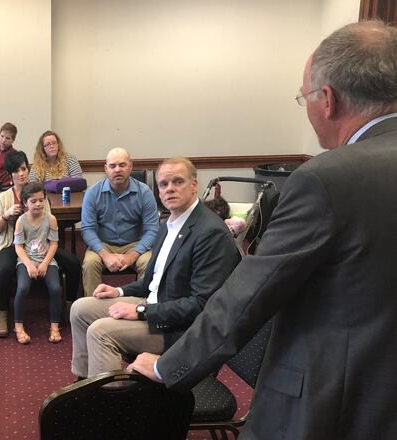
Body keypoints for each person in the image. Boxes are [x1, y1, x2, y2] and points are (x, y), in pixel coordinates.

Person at [131, 21, 397, 439]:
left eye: (304, 96)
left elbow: (245, 297)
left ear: (327, 100)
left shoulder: (325, 179)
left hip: (329, 405)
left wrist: (167, 366)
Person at [70, 157, 238, 379]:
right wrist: (118, 291)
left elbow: (201, 305)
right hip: (156, 305)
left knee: (100, 332)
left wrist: (141, 312)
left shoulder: (210, 233)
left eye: (178, 182)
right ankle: (84, 383)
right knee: (80, 309)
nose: (170, 189)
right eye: (164, 184)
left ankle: (108, 407)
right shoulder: (168, 224)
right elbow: (153, 282)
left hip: (179, 329)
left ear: (194, 185)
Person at [0, 151, 81, 337]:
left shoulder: (38, 194)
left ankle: (69, 306)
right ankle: (2, 313)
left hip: (40, 245)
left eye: (23, 168)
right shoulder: (4, 197)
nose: (21, 173)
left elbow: (48, 221)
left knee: (72, 262)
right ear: (10, 174)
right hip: (11, 245)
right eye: (16, 171)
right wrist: (6, 215)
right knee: (4, 269)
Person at [80, 147, 160, 295]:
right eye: (112, 166)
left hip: (135, 244)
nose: (117, 170)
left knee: (149, 263)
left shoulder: (145, 193)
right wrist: (105, 255)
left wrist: (133, 255)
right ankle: (90, 311)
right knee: (90, 263)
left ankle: (144, 309)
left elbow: (152, 230)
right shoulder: (92, 193)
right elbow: (87, 229)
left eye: (122, 165)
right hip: (103, 244)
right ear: (106, 168)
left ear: (130, 166)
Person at [11, 181, 62, 345]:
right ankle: (18, 326)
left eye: (41, 200)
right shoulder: (21, 221)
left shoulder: (51, 219)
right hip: (26, 262)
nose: (38, 204)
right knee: (23, 287)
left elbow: (53, 243)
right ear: (25, 203)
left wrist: (45, 263)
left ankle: (55, 326)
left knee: (55, 288)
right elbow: (18, 247)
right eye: (33, 201)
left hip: (47, 260)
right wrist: (29, 265)